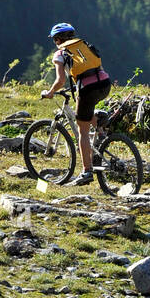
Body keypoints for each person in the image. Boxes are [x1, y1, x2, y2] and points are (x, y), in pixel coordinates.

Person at [41, 22, 111, 186]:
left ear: (58, 39)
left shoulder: (60, 53)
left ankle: (86, 172)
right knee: (86, 115)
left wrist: (50, 92)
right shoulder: (85, 45)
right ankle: (99, 125)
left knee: (82, 131)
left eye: (54, 40)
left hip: (88, 88)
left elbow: (60, 80)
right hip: (105, 83)